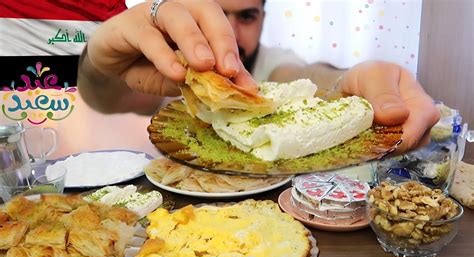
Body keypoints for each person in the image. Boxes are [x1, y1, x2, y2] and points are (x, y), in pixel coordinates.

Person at [77, 0, 440, 154]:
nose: (230, 33)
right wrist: (97, 59)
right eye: (218, 12)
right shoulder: (170, 63)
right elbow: (108, 98)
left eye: (247, 16)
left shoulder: (274, 64)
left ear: (264, 19)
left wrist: (349, 80)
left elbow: (306, 80)